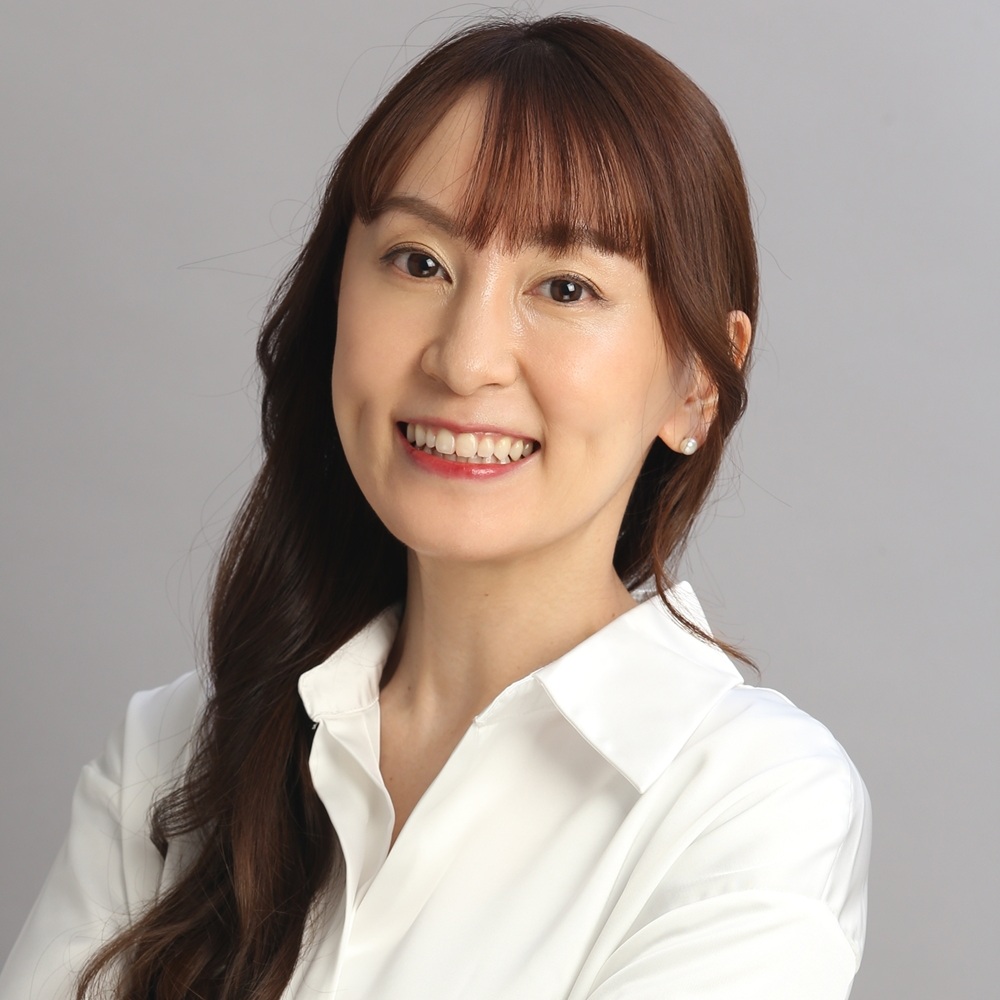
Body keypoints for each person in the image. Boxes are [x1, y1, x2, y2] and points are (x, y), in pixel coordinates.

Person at [0, 14, 870, 1000]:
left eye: (565, 287)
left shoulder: (749, 804)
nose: (464, 360)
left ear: (697, 385)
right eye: (420, 263)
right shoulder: (171, 758)